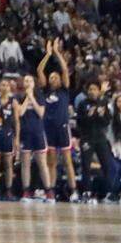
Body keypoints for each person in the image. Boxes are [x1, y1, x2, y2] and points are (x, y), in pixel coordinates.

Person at [38, 39, 78, 201]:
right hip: (49, 128)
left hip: (62, 127)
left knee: (68, 161)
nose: (53, 78)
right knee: (51, 162)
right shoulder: (45, 91)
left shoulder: (64, 90)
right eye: (51, 77)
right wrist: (47, 55)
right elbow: (39, 69)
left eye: (56, 77)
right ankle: (51, 191)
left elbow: (64, 69)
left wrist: (58, 53)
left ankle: (74, 190)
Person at [15, 74, 53, 202]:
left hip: (37, 132)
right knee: (25, 163)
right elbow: (20, 112)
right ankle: (26, 191)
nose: (28, 82)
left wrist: (32, 97)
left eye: (30, 80)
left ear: (34, 83)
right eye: (26, 80)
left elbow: (41, 113)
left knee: (42, 163)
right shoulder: (19, 96)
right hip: (25, 133)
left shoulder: (40, 95)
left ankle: (48, 191)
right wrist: (27, 98)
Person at [0, 78, 17, 201]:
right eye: (2, 85)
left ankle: (9, 190)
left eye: (7, 85)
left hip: (7, 134)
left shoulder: (13, 101)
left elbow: (16, 121)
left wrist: (17, 138)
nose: (4, 87)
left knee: (8, 163)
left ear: (9, 88)